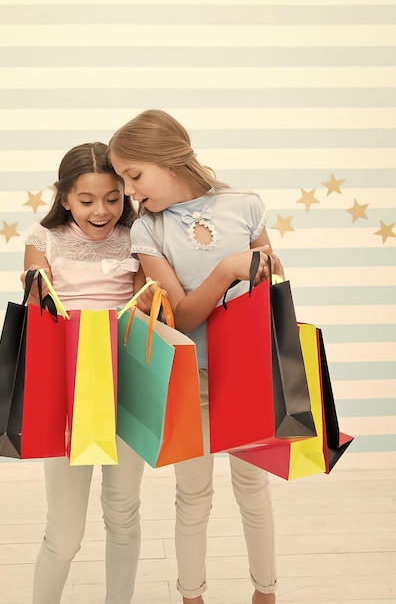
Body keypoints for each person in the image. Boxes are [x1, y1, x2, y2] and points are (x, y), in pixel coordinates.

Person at [109, 110, 284, 604]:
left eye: (134, 175)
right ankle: (192, 596)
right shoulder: (148, 231)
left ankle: (265, 593)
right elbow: (182, 318)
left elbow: (271, 280)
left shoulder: (245, 206)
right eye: (123, 179)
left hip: (247, 373)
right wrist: (230, 268)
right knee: (193, 495)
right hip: (192, 379)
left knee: (253, 489)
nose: (130, 191)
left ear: (169, 157)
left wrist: (264, 266)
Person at [22, 142, 154, 604]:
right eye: (86, 200)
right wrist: (34, 281)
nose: (102, 211)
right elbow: (38, 296)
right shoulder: (44, 240)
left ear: (126, 195)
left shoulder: (141, 238)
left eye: (114, 198)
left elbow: (147, 304)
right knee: (65, 530)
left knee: (123, 511)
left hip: (128, 385)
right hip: (67, 390)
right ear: (63, 198)